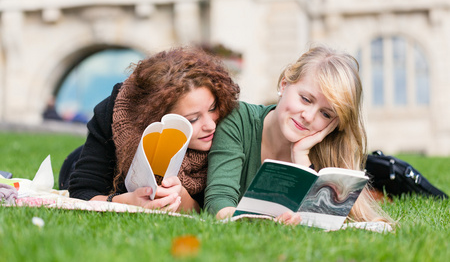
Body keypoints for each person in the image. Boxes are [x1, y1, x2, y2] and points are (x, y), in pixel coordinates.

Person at [204, 45, 393, 225]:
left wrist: (302, 160)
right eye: (305, 99)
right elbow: (218, 202)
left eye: (326, 114)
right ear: (284, 85)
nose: (308, 117)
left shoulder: (326, 148)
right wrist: (261, 221)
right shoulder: (239, 119)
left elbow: (323, 222)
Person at [60, 46, 240, 213]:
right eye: (192, 120)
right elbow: (82, 192)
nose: (210, 125)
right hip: (80, 163)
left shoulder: (230, 126)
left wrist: (182, 198)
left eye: (212, 108)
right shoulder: (112, 112)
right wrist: (125, 202)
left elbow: (210, 208)